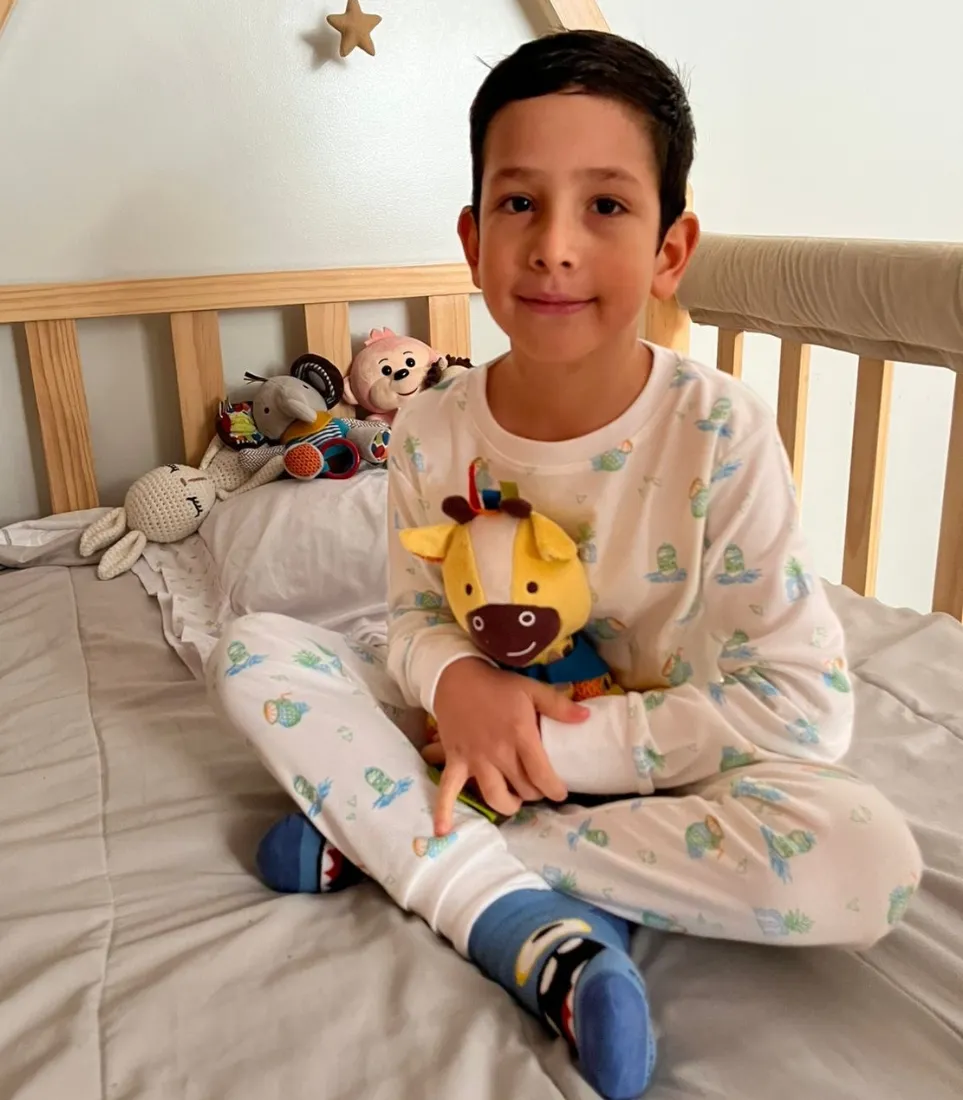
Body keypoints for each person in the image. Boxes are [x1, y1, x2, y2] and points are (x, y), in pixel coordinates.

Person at [209, 30, 922, 1100]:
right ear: (472, 238)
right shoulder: (430, 426)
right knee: (255, 651)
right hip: (462, 728)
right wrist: (458, 680)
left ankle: (405, 832)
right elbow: (412, 619)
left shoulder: (719, 428)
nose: (553, 246)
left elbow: (802, 707)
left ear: (671, 249)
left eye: (605, 205)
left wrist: (544, 747)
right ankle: (505, 901)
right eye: (518, 202)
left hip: (665, 760)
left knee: (866, 858)